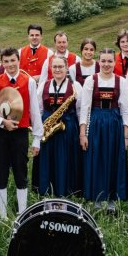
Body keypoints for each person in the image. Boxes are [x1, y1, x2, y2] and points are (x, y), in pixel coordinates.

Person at [0, 46, 43, 219]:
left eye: (13, 61)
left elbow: (35, 111)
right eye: (6, 61)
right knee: (0, 171)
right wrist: (3, 122)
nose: (10, 64)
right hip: (1, 133)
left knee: (21, 171)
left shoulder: (29, 81)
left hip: (21, 133)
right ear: (2, 63)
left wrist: (37, 138)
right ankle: (2, 215)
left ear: (18, 61)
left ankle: (22, 212)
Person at [79, 48, 128, 213]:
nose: (107, 64)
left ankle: (111, 201)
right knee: (96, 160)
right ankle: (96, 199)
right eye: (103, 61)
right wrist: (82, 133)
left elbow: (125, 110)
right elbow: (85, 108)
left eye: (110, 61)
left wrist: (126, 136)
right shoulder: (91, 80)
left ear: (114, 62)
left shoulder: (120, 81)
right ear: (98, 62)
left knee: (113, 160)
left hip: (114, 124)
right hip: (96, 123)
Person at [35, 55, 83, 197]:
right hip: (47, 127)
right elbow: (38, 109)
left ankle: (65, 191)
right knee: (47, 159)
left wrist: (81, 132)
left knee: (65, 159)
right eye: (54, 66)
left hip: (67, 128)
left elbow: (80, 110)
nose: (57, 69)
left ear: (66, 68)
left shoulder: (76, 86)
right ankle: (46, 190)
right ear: (50, 68)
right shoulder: (43, 85)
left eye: (60, 66)